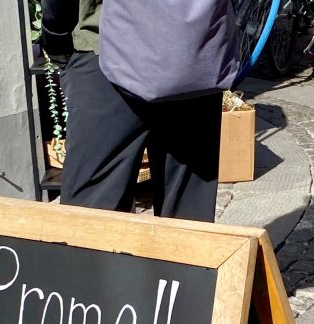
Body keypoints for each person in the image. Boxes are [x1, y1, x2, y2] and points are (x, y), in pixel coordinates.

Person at [40, 0, 238, 223]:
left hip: (103, 51)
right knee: (187, 216)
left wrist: (55, 35)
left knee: (93, 220)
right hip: (195, 50)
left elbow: (57, 13)